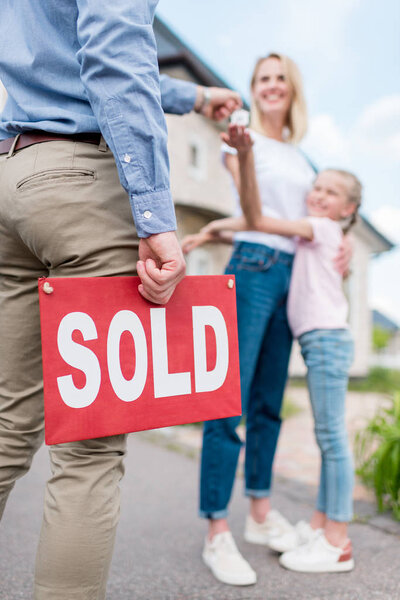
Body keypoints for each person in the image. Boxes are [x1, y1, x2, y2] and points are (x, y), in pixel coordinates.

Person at [0, 3, 241, 598]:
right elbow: (111, 49)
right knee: (90, 448)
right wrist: (155, 214)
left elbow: (67, 52)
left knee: (6, 425)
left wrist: (194, 97)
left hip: (14, 177)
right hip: (84, 183)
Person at [182, 53, 351, 587]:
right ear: (253, 90)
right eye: (262, 79)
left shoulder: (303, 159)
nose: (272, 86)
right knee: (227, 400)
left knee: (268, 406)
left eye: (281, 78)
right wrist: (245, 158)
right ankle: (216, 529)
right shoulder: (239, 138)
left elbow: (305, 224)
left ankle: (258, 512)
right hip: (253, 272)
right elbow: (254, 213)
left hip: (290, 276)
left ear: (292, 89)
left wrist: (340, 243)